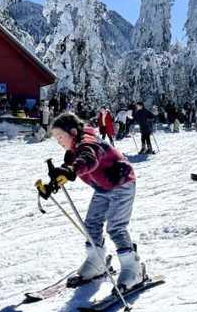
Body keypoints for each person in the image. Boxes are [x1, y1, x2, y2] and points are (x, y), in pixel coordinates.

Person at [48, 113, 145, 291]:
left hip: (122, 183)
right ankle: (97, 262)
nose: (59, 141)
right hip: (104, 187)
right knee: (91, 223)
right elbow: (71, 167)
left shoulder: (87, 142)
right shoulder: (72, 152)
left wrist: (71, 170)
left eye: (60, 136)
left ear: (72, 131)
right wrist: (53, 184)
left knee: (116, 227)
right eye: (56, 138)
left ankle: (134, 269)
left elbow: (88, 159)